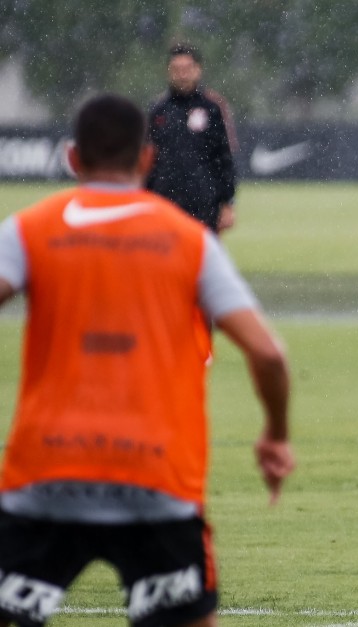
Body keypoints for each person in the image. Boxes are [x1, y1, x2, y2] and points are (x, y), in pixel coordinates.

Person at [0, 94, 294, 627]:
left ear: (72, 158)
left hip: (46, 472)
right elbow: (269, 354)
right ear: (146, 158)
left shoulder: (28, 229)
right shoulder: (190, 241)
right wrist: (274, 434)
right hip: (155, 476)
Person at [146, 43, 237, 233]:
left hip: (204, 204)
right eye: (177, 69)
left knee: (201, 260)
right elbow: (147, 158)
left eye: (187, 68)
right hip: (164, 203)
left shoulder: (213, 107)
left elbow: (224, 157)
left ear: (198, 70)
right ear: (168, 71)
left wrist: (227, 202)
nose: (182, 74)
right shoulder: (158, 109)